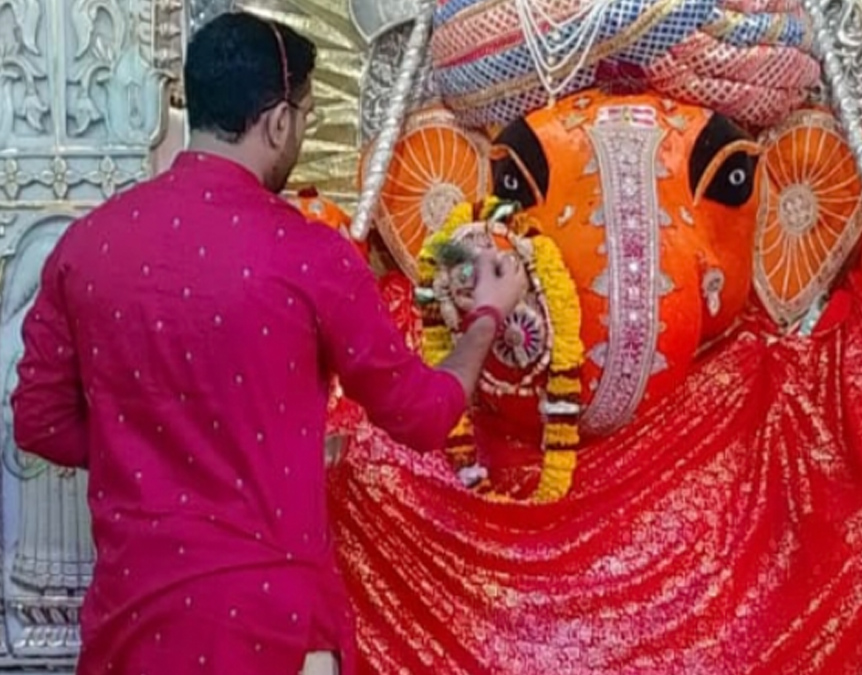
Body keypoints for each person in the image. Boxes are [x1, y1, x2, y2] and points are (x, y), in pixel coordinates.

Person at [10, 11, 524, 675]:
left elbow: (40, 421)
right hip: (269, 630)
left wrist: (147, 446)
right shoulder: (308, 254)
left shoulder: (87, 246)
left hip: (131, 625)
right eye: (304, 117)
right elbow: (423, 414)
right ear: (279, 122)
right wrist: (485, 318)